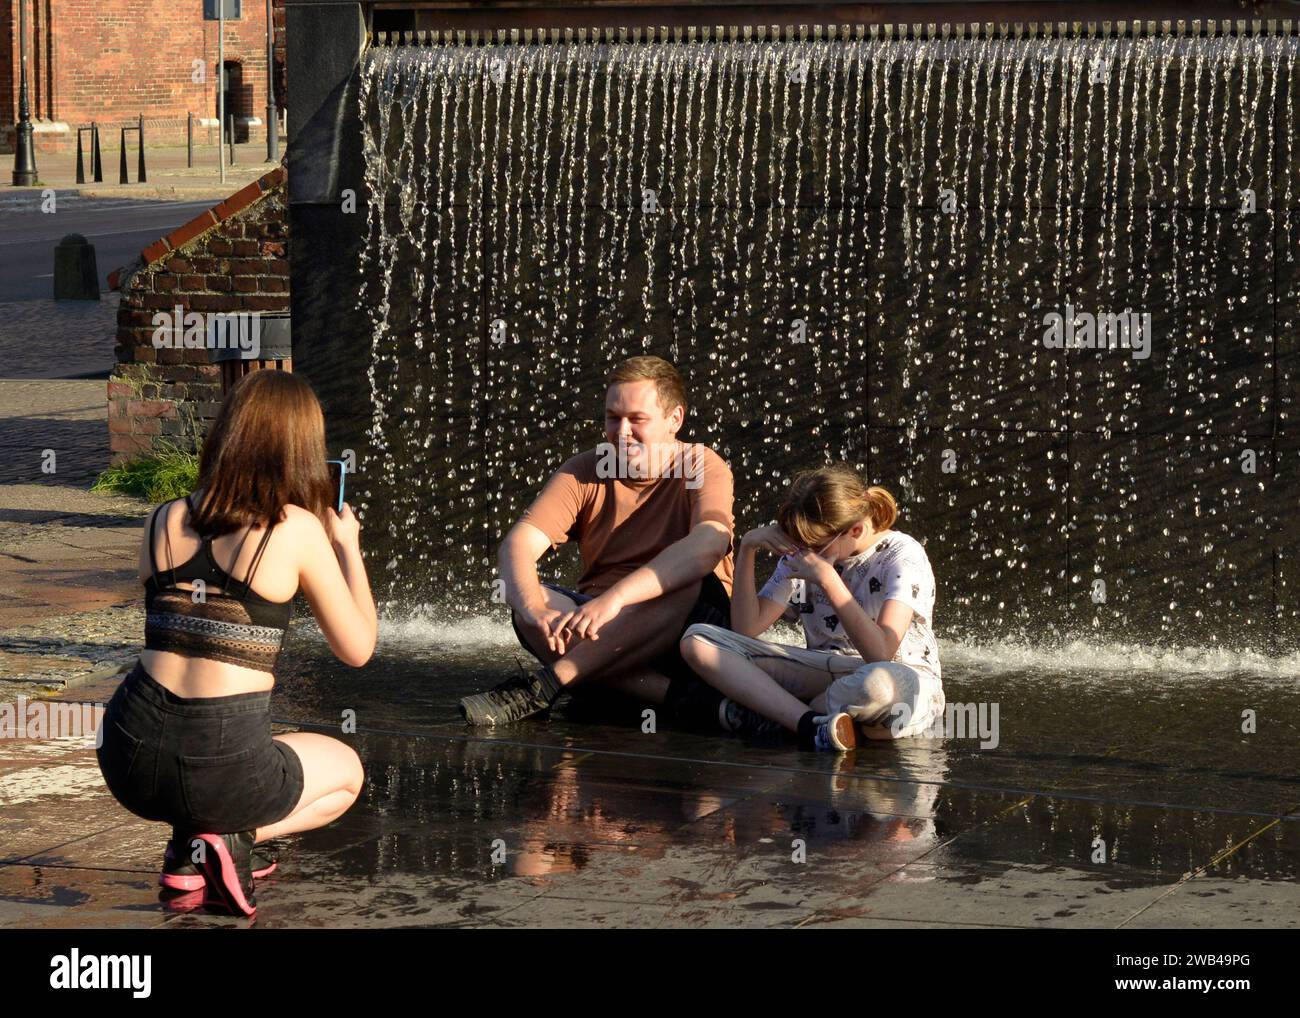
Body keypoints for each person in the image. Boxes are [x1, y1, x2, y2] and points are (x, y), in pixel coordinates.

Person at [95, 371, 378, 917]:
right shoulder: (295, 528)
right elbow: (358, 648)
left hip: (126, 753)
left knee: (202, 756)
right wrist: (347, 546)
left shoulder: (162, 518)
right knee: (347, 772)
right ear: (300, 449)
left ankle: (187, 854)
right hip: (221, 760)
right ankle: (231, 838)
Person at [460, 356, 735, 726]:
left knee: (688, 583)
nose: (621, 432)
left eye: (637, 419)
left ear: (675, 420)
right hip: (600, 625)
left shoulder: (701, 465)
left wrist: (617, 598)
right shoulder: (584, 470)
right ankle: (683, 700)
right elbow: (518, 545)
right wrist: (532, 610)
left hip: (687, 628)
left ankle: (549, 684)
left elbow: (707, 545)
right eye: (612, 417)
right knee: (529, 600)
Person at [679, 463, 943, 752]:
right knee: (698, 641)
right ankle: (809, 723)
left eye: (816, 546)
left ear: (854, 529)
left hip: (901, 677)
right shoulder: (807, 553)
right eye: (800, 544)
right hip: (825, 670)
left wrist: (828, 579)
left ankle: (775, 712)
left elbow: (881, 653)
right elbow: (746, 628)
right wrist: (748, 549)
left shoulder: (902, 555)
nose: (805, 553)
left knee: (878, 685)